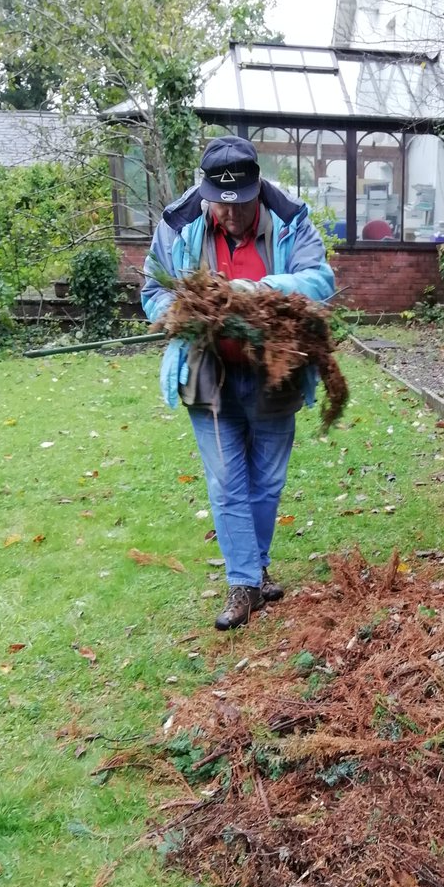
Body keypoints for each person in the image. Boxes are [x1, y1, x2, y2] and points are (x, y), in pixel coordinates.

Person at [142, 136, 335, 631]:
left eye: (240, 204)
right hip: (209, 374)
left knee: (266, 481)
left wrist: (260, 289)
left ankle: (256, 568)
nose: (229, 215)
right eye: (220, 204)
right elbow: (153, 290)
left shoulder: (290, 218)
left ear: (257, 189)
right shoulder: (179, 223)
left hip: (274, 371)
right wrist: (181, 314)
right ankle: (245, 583)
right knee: (227, 480)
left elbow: (320, 281)